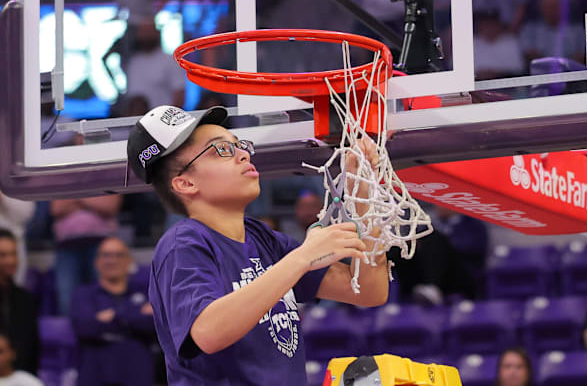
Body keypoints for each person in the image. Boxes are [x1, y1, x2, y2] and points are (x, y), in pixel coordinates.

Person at [125, 105, 389, 385]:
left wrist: (362, 193)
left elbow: (368, 291)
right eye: (222, 150)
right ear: (185, 183)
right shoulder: (182, 244)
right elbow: (208, 332)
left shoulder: (262, 238)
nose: (243, 154)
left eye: (240, 145)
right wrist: (301, 258)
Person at [70, 236, 155, 386]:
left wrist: (113, 317)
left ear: (129, 261)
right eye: (106, 255)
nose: (112, 260)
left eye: (118, 255)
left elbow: (154, 326)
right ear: (96, 262)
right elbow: (85, 327)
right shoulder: (83, 294)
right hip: (95, 375)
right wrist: (135, 318)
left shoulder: (146, 293)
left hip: (137, 374)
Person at [50, 194, 123, 315]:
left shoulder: (106, 175)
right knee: (67, 300)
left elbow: (110, 207)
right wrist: (92, 199)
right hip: (67, 246)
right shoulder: (62, 176)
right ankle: (70, 334)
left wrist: (76, 197)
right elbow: (56, 209)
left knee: (106, 296)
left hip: (101, 245)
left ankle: (110, 331)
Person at [0, 229, 39, 375]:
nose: (10, 261)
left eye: (13, 254)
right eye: (3, 255)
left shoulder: (25, 299)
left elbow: (33, 351)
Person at [0, 191, 35, 286]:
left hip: (14, 242)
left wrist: (2, 196)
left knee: (14, 287)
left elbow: (26, 214)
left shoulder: (17, 181)